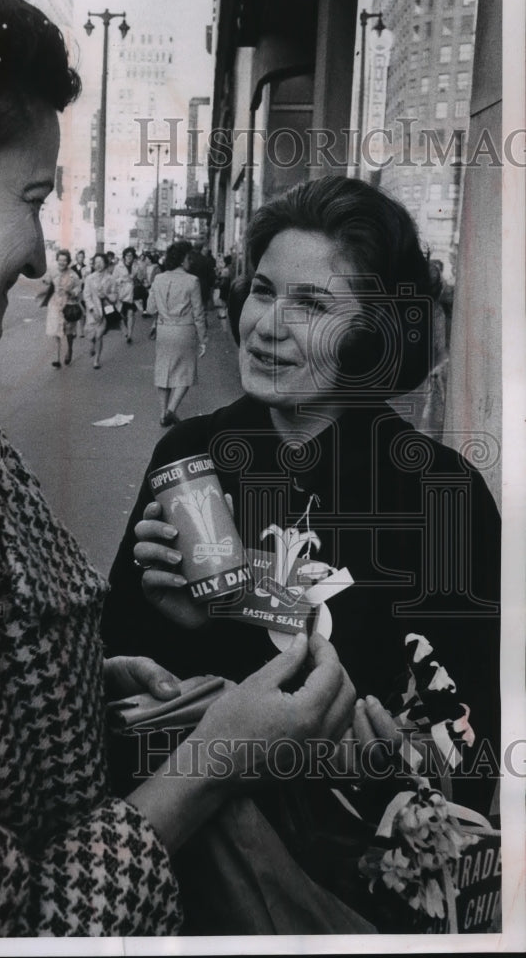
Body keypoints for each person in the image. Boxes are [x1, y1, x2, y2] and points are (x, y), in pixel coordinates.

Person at [0, 0, 362, 938]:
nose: (36, 255)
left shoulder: (441, 488)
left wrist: (74, 691)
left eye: (310, 305)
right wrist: (211, 755)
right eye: (31, 198)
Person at [101, 177, 501, 932]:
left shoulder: (440, 493)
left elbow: (469, 737)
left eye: (311, 305)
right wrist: (173, 625)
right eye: (261, 290)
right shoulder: (189, 453)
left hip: (355, 893)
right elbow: (119, 679)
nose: (267, 326)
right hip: (189, 881)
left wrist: (390, 761)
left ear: (374, 334)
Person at [147, 240, 208, 426]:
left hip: (164, 330)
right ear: (182, 260)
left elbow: (150, 309)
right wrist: (203, 338)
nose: (190, 261)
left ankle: (162, 412)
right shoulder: (192, 281)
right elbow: (198, 313)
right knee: (185, 371)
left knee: (163, 370)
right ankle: (171, 410)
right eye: (188, 257)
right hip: (184, 330)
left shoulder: (159, 279)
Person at [44, 248, 82, 366]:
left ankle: (70, 349)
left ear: (68, 261)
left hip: (69, 306)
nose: (62, 263)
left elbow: (78, 288)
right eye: (60, 260)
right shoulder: (53, 270)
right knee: (57, 331)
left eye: (64, 260)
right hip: (55, 305)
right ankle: (57, 358)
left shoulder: (73, 275)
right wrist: (45, 281)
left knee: (69, 332)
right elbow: (46, 280)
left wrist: (71, 292)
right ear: (57, 260)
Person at [82, 252, 113, 369]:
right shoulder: (89, 278)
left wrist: (107, 296)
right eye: (96, 262)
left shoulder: (110, 278)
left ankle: (96, 360)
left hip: (105, 309)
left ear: (105, 263)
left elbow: (115, 293)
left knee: (99, 334)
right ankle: (92, 343)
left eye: (101, 262)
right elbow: (86, 295)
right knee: (91, 334)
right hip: (92, 311)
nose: (98, 265)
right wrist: (91, 308)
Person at [112, 246, 138, 343]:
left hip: (131, 294)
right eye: (127, 255)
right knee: (122, 316)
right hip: (121, 294)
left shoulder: (136, 266)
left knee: (131, 313)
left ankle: (130, 334)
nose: (129, 257)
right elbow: (113, 280)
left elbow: (139, 277)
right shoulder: (118, 267)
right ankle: (125, 331)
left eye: (131, 255)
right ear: (124, 256)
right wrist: (122, 279)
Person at [71, 249, 89, 337]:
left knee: (83, 312)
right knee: (75, 311)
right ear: (76, 258)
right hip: (75, 291)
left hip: (84, 291)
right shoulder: (72, 268)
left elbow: (89, 279)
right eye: (79, 257)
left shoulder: (87, 268)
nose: (81, 258)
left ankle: (81, 330)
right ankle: (74, 330)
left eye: (82, 257)